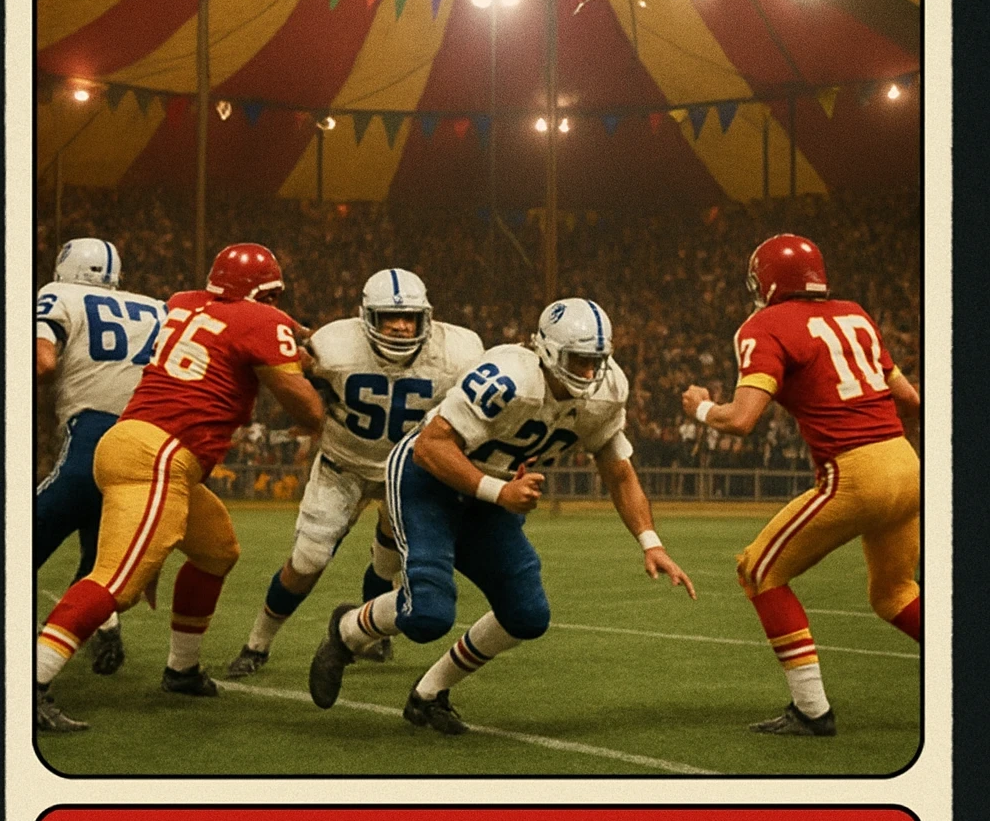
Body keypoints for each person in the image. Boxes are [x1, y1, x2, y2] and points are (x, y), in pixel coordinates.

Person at [308, 298, 695, 733]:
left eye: (596, 361)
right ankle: (346, 630)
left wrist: (651, 542)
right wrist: (500, 491)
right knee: (429, 615)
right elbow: (431, 447)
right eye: (579, 361)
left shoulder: (608, 391)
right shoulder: (510, 376)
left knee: (526, 615)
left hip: (492, 496)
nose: (590, 373)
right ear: (548, 351)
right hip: (427, 481)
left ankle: (428, 695)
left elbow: (618, 470)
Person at [35, 243, 325, 732]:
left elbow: (253, 325)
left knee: (216, 550)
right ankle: (32, 684)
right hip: (160, 455)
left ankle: (182, 669)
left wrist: (290, 339)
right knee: (115, 582)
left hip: (138, 445)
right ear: (264, 292)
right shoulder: (258, 320)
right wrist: (308, 367)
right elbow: (309, 412)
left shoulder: (184, 302)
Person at [681, 233, 920, 738]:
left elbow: (743, 419)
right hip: (905, 463)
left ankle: (811, 709)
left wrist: (701, 407)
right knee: (896, 594)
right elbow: (910, 399)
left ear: (766, 280)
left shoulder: (765, 324)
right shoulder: (855, 313)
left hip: (855, 472)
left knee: (756, 570)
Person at [228, 269, 483, 676]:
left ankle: (367, 636)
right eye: (388, 317)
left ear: (426, 317)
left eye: (409, 318)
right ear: (368, 316)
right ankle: (258, 644)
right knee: (307, 560)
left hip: (407, 470)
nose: (400, 326)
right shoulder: (333, 344)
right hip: (342, 463)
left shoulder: (460, 352)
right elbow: (294, 379)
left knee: (392, 563)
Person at [36, 239, 167, 676]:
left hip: (92, 437)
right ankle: (102, 625)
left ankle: (28, 673)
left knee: (13, 547)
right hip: (145, 442)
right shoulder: (155, 307)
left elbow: (43, 361)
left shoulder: (59, 295)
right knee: (100, 564)